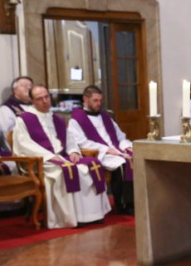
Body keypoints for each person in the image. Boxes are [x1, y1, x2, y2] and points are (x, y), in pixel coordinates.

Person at [12, 85, 110, 228]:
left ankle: (93, 215)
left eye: (47, 97)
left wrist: (74, 151)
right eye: (39, 99)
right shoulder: (24, 119)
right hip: (41, 161)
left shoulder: (57, 119)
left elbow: (69, 140)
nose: (45, 101)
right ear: (32, 101)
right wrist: (49, 156)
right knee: (67, 170)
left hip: (62, 157)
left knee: (91, 165)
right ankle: (71, 218)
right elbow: (24, 145)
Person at [68, 85, 135, 215]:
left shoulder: (105, 117)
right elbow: (80, 142)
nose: (99, 103)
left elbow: (120, 136)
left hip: (116, 150)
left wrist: (125, 146)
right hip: (100, 154)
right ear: (85, 99)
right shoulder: (76, 120)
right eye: (95, 100)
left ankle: (137, 201)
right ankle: (123, 204)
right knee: (122, 165)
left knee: (135, 159)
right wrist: (105, 149)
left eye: (100, 100)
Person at [0, 75, 33, 153]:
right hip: (22, 152)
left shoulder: (36, 107)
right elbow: (8, 136)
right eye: (24, 85)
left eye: (30, 86)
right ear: (15, 90)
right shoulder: (5, 110)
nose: (29, 88)